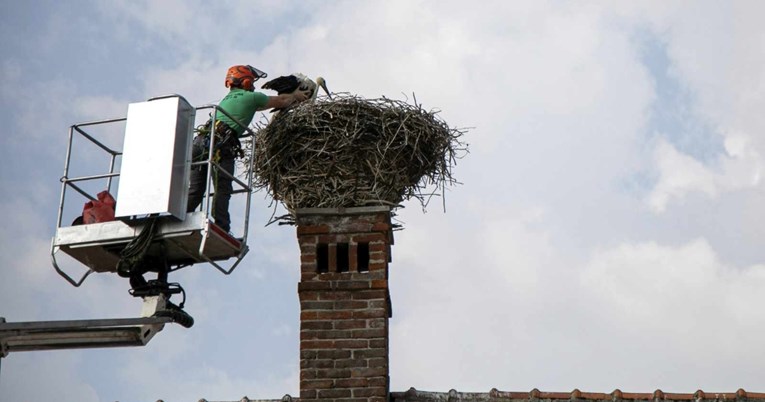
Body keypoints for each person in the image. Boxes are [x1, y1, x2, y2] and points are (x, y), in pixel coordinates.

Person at [187, 65, 307, 232]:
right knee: (223, 188)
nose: (253, 85)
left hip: (199, 143)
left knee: (195, 191)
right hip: (220, 145)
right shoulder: (250, 97)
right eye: (251, 82)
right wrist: (297, 95)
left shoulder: (227, 99)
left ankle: (178, 219)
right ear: (245, 82)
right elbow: (283, 101)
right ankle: (222, 228)